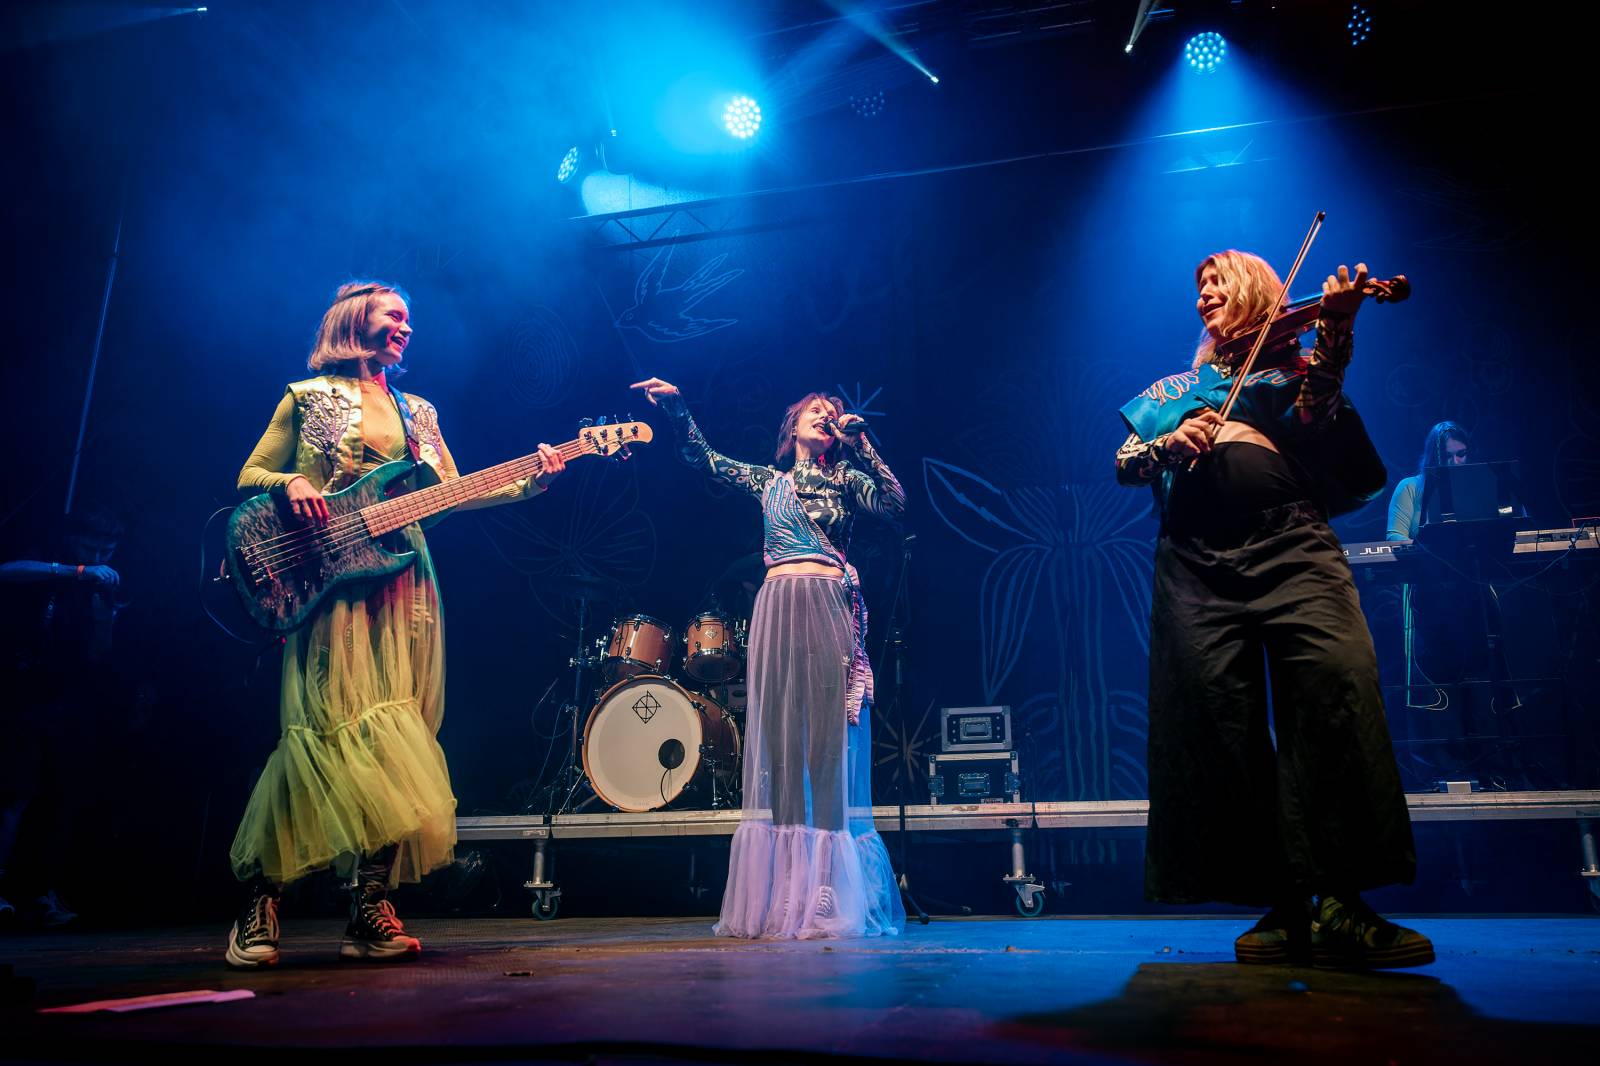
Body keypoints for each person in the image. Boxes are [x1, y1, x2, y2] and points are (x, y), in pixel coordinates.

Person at [226, 282, 566, 968]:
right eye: (395, 315)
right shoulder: (306, 396)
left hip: (405, 579)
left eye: (409, 319)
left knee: (398, 739)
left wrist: (533, 478)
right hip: (330, 587)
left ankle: (369, 909)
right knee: (321, 734)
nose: (406, 327)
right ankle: (260, 905)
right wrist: (289, 484)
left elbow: (446, 493)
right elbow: (251, 471)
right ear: (357, 319)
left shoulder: (419, 411)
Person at [1114, 251, 1432, 969]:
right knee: (1215, 718)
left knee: (1337, 688)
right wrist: (1167, 443)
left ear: (1257, 289)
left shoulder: (1289, 372)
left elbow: (1319, 413)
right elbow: (1124, 461)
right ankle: (1283, 902)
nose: (1204, 299)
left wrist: (1340, 334)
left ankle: (1343, 901)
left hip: (1293, 547)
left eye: (1217, 284)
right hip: (1196, 563)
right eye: (1198, 290)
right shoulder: (1177, 387)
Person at [631, 376, 905, 939]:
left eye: (833, 412)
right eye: (815, 410)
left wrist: (864, 443)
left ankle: (827, 890)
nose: (826, 416)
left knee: (827, 737)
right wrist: (679, 407)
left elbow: (896, 504)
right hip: (779, 604)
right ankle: (786, 889)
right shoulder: (769, 482)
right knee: (781, 737)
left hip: (828, 602)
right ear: (793, 427)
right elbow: (704, 460)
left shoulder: (848, 480)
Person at [0, 507, 126, 928]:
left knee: (62, 797)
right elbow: (9, 571)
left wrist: (106, 614)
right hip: (27, 691)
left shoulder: (102, 583)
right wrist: (76, 570)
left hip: (71, 699)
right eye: (91, 545)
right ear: (74, 539)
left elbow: (101, 653)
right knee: (14, 792)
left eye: (106, 547)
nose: (99, 554)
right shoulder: (53, 564)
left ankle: (40, 892)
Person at [1387, 421, 1471, 541]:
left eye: (1461, 454)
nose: (1455, 461)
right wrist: (1426, 550)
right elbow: (1394, 536)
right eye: (1447, 456)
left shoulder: (1477, 488)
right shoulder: (1409, 487)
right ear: (1433, 456)